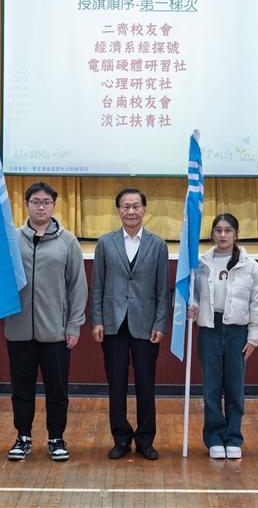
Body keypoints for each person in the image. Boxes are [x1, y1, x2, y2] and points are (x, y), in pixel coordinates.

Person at [4, 182, 88, 462]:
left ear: (54, 206)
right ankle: (23, 436)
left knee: (57, 389)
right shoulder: (12, 240)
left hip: (56, 331)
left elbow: (78, 285)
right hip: (18, 330)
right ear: (25, 204)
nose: (41, 207)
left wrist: (74, 324)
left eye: (46, 202)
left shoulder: (67, 241)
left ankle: (56, 437)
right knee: (21, 389)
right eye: (35, 201)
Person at [91, 188, 169, 460]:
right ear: (118, 210)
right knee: (117, 385)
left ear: (144, 210)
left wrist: (161, 322)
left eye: (136, 206)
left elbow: (162, 289)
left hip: (146, 326)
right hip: (113, 324)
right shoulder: (105, 243)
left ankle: (146, 440)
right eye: (125, 206)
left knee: (146, 384)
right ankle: (121, 437)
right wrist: (97, 320)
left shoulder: (158, 244)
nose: (131, 211)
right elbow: (98, 285)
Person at [187, 213, 258, 459]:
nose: (223, 235)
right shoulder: (201, 265)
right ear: (212, 233)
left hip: (237, 332)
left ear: (236, 234)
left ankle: (233, 437)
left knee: (234, 388)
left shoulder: (251, 267)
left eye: (228, 231)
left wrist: (254, 338)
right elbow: (192, 294)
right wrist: (191, 307)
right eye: (218, 230)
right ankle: (214, 437)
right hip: (209, 330)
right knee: (211, 388)